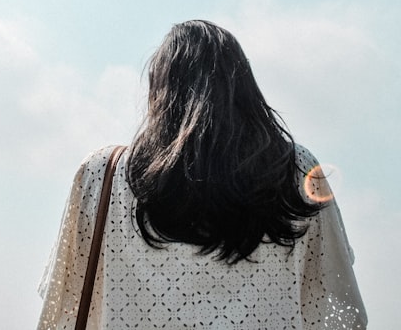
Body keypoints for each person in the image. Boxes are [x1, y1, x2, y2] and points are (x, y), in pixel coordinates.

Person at [38, 20, 367, 329]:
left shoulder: (102, 174)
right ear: (245, 91)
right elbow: (339, 308)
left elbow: (61, 308)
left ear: (160, 92)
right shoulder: (295, 169)